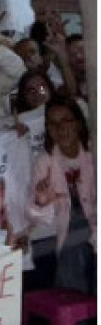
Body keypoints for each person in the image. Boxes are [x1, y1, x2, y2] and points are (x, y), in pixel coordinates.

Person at [27, 97, 96, 293]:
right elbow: (37, 218)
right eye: (53, 124)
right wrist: (42, 201)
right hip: (64, 235)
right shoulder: (44, 161)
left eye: (66, 120)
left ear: (78, 123)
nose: (60, 128)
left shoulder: (94, 153)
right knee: (74, 251)